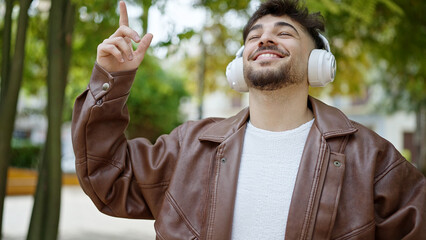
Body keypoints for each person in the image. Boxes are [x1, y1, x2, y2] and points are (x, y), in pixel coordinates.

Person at [71, 0, 426, 239]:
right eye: (253, 37)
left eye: (284, 32)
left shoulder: (373, 158)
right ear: (239, 68)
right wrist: (111, 78)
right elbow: (108, 176)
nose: (265, 37)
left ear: (319, 63)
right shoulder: (189, 146)